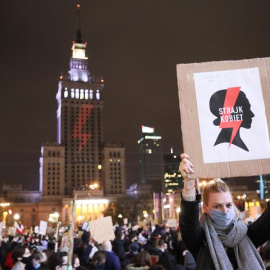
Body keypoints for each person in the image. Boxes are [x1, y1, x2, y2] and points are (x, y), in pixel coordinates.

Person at [179, 153, 270, 270]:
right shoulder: (200, 240)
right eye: (217, 206)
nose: (225, 211)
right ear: (206, 208)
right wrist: (189, 184)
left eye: (228, 205)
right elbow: (188, 223)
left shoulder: (246, 234)